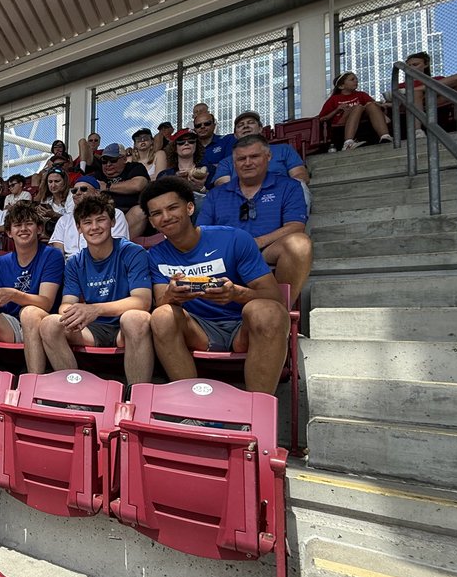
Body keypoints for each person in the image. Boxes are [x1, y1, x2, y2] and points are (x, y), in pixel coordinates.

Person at [141, 177, 291, 395]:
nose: (165, 217)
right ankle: (193, 409)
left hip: (243, 328)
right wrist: (173, 295)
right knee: (162, 315)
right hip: (200, 332)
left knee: (267, 311)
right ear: (152, 222)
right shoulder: (155, 254)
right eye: (156, 213)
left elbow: (274, 297)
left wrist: (235, 293)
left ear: (190, 207)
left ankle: (257, 412)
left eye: (173, 208)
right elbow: (161, 301)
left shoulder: (234, 238)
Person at [39, 194, 154, 383]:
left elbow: (142, 301)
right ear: (79, 228)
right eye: (87, 222)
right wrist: (74, 313)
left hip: (124, 328)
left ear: (112, 222)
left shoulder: (132, 252)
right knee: (50, 324)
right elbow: (66, 303)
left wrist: (96, 309)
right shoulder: (75, 262)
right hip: (92, 329)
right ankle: (75, 394)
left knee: (135, 318)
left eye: (101, 220)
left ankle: (136, 395)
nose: (94, 227)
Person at [198, 135, 313, 300]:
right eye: (241, 158)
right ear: (233, 162)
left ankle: (279, 308)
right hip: (226, 254)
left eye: (254, 156)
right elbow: (202, 232)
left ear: (268, 157)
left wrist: (257, 242)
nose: (247, 163)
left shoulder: (289, 186)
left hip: (266, 251)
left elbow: (296, 226)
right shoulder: (216, 194)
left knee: (300, 244)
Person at [0, 201, 64, 373]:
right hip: (10, 323)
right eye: (17, 225)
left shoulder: (52, 255)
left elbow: (46, 303)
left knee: (29, 312)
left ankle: (34, 382)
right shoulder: (1, 262)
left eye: (29, 224)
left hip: (42, 321)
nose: (23, 229)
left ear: (39, 229)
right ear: (9, 232)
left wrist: (13, 294)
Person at [210, 112, 310, 188]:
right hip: (242, 199)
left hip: (283, 194)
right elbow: (223, 185)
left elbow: (300, 176)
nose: (245, 126)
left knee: (301, 188)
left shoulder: (284, 149)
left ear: (261, 128)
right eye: (240, 125)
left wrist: (279, 193)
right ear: (235, 135)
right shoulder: (226, 162)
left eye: (251, 123)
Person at [49, 175, 129, 255]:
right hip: (69, 263)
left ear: (97, 193)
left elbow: (118, 247)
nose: (78, 193)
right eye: (74, 191)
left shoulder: (115, 214)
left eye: (83, 189)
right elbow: (58, 251)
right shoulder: (64, 219)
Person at [400, 52, 457, 138]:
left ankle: (417, 91)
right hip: (410, 108)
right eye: (408, 66)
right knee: (416, 94)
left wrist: (414, 90)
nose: (411, 68)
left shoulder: (438, 79)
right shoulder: (400, 86)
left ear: (426, 65)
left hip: (438, 104)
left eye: (415, 64)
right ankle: (418, 130)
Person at [319, 71, 393, 150]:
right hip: (341, 126)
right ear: (341, 86)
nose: (356, 81)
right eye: (352, 79)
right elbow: (322, 118)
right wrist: (337, 109)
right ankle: (348, 143)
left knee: (370, 105)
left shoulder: (361, 94)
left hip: (362, 123)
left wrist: (382, 105)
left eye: (356, 79)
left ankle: (385, 136)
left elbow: (373, 105)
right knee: (358, 107)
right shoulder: (334, 99)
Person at [97, 143, 151, 237]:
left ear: (124, 159)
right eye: (104, 161)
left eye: (113, 160)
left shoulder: (134, 167)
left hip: (129, 214)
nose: (108, 164)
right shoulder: (98, 174)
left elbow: (138, 185)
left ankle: (117, 246)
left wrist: (107, 187)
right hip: (104, 215)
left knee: (140, 211)